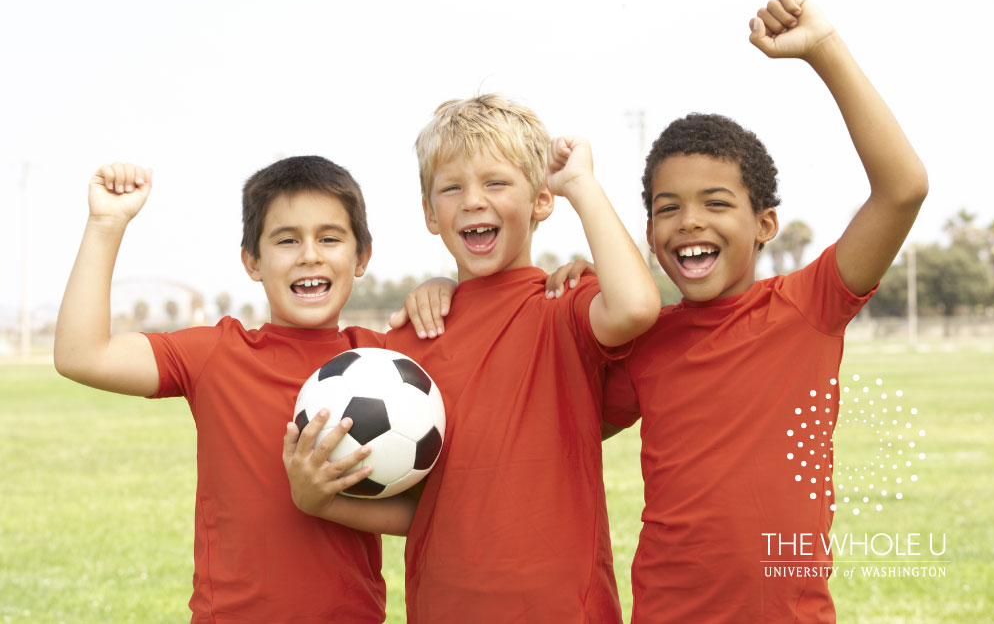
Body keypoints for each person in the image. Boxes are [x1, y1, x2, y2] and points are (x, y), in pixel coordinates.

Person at [581, 0, 927, 623]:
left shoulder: (809, 307)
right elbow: (557, 424)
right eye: (667, 207)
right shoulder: (644, 339)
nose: (689, 222)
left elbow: (903, 189)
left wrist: (823, 50)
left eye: (716, 203)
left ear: (765, 223)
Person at [284, 94, 662, 623]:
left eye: (496, 183)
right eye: (452, 187)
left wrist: (581, 185)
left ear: (541, 201)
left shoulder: (563, 308)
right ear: (429, 213)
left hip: (564, 610)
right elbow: (426, 509)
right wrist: (319, 501)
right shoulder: (406, 351)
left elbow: (639, 307)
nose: (473, 201)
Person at [54, 155, 450, 624]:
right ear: (253, 261)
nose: (309, 254)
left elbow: (420, 515)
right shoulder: (216, 354)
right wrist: (106, 223)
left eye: (329, 238)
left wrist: (444, 286)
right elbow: (81, 355)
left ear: (361, 256)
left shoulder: (396, 369)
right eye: (286, 240)